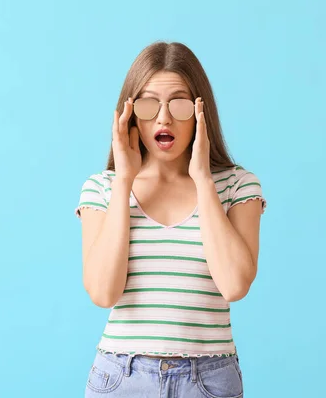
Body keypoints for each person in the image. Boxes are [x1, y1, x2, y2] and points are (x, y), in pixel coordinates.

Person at [75, 41, 266, 398]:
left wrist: (203, 179)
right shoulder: (101, 188)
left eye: (179, 103)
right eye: (148, 104)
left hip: (208, 380)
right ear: (130, 114)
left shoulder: (237, 185)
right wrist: (124, 182)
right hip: (121, 378)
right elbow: (103, 292)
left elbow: (235, 285)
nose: (163, 118)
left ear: (200, 111)